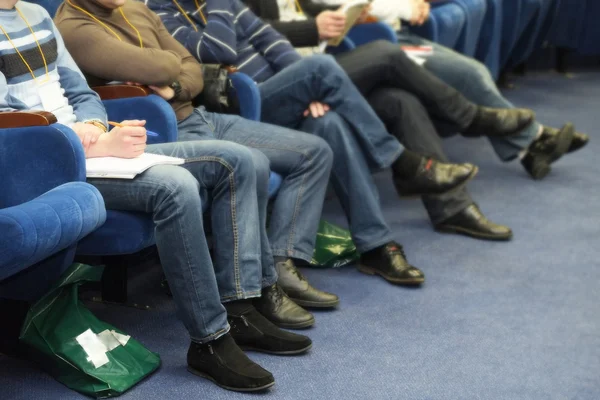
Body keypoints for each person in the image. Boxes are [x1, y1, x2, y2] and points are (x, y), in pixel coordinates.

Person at [55, 0, 481, 295]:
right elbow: (204, 56)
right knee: (337, 65)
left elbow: (263, 43)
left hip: (251, 99)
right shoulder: (159, 7)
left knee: (328, 116)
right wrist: (179, 70)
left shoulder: (141, 10)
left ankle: (364, 246)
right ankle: (403, 163)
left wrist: (314, 90)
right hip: (237, 101)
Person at [0, 0, 318, 391]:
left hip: (92, 146)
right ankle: (210, 341)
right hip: (46, 161)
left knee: (235, 159)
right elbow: (9, 119)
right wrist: (84, 147)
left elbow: (81, 92)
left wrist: (96, 126)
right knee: (177, 185)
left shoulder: (37, 15)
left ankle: (240, 305)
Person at [296, 0, 589, 177]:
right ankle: (533, 139)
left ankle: (531, 146)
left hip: (397, 32)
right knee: (471, 74)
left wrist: (416, 4)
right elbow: (349, 8)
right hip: (371, 40)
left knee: (474, 72)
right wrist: (404, 7)